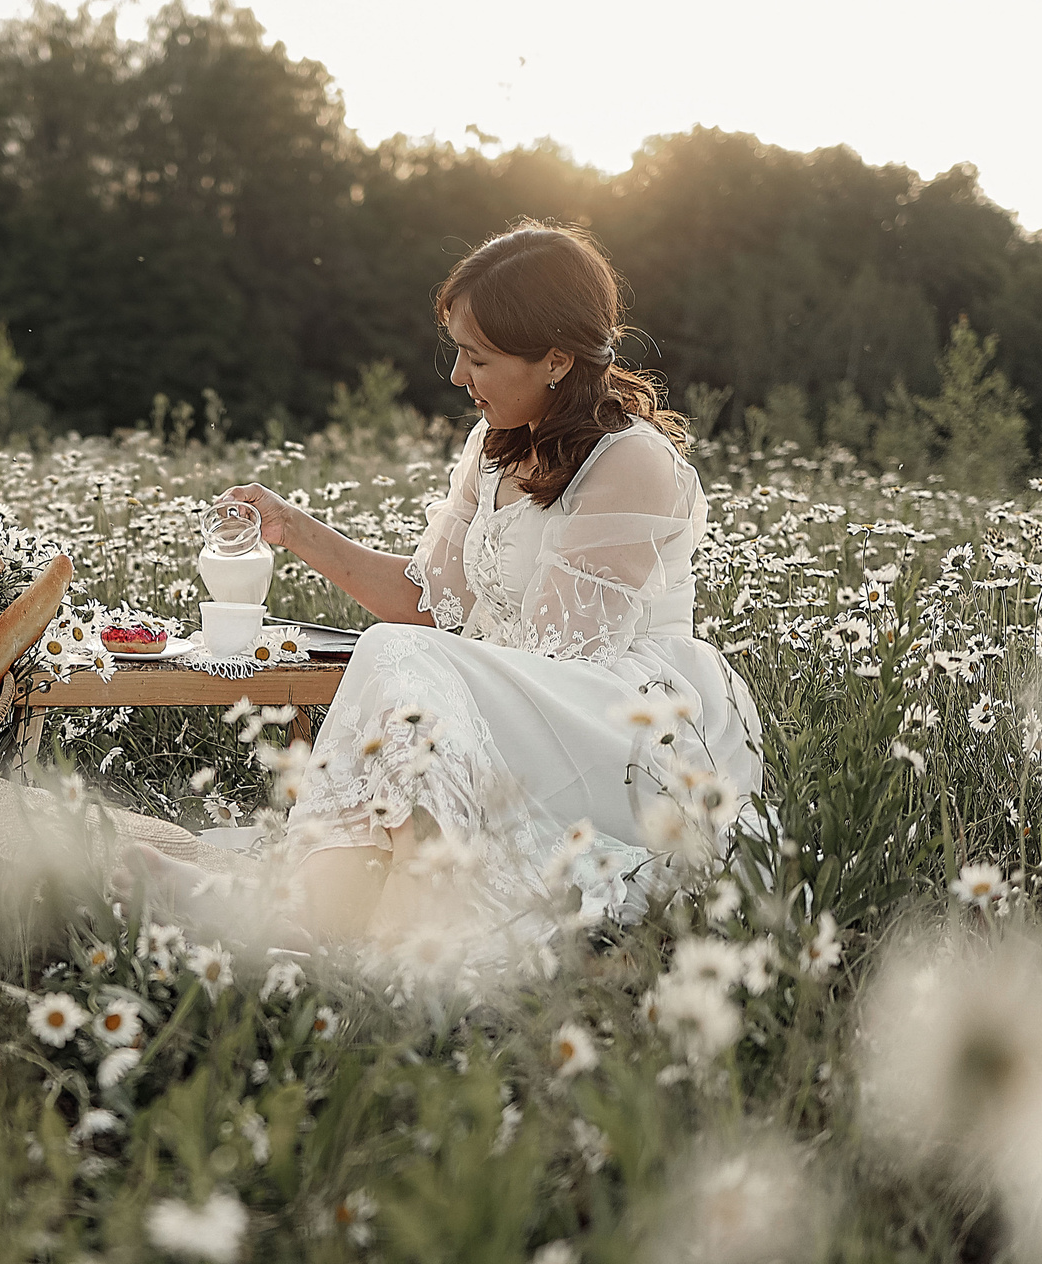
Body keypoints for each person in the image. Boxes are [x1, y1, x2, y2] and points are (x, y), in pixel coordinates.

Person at [202, 218, 764, 944]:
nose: (457, 378)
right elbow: (426, 605)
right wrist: (295, 529)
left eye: (478, 357)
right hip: (516, 695)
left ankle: (390, 925)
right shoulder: (495, 445)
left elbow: (557, 657)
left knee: (400, 665)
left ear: (556, 358)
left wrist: (428, 690)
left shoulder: (633, 460)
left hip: (616, 721)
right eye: (458, 352)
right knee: (397, 655)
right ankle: (318, 921)